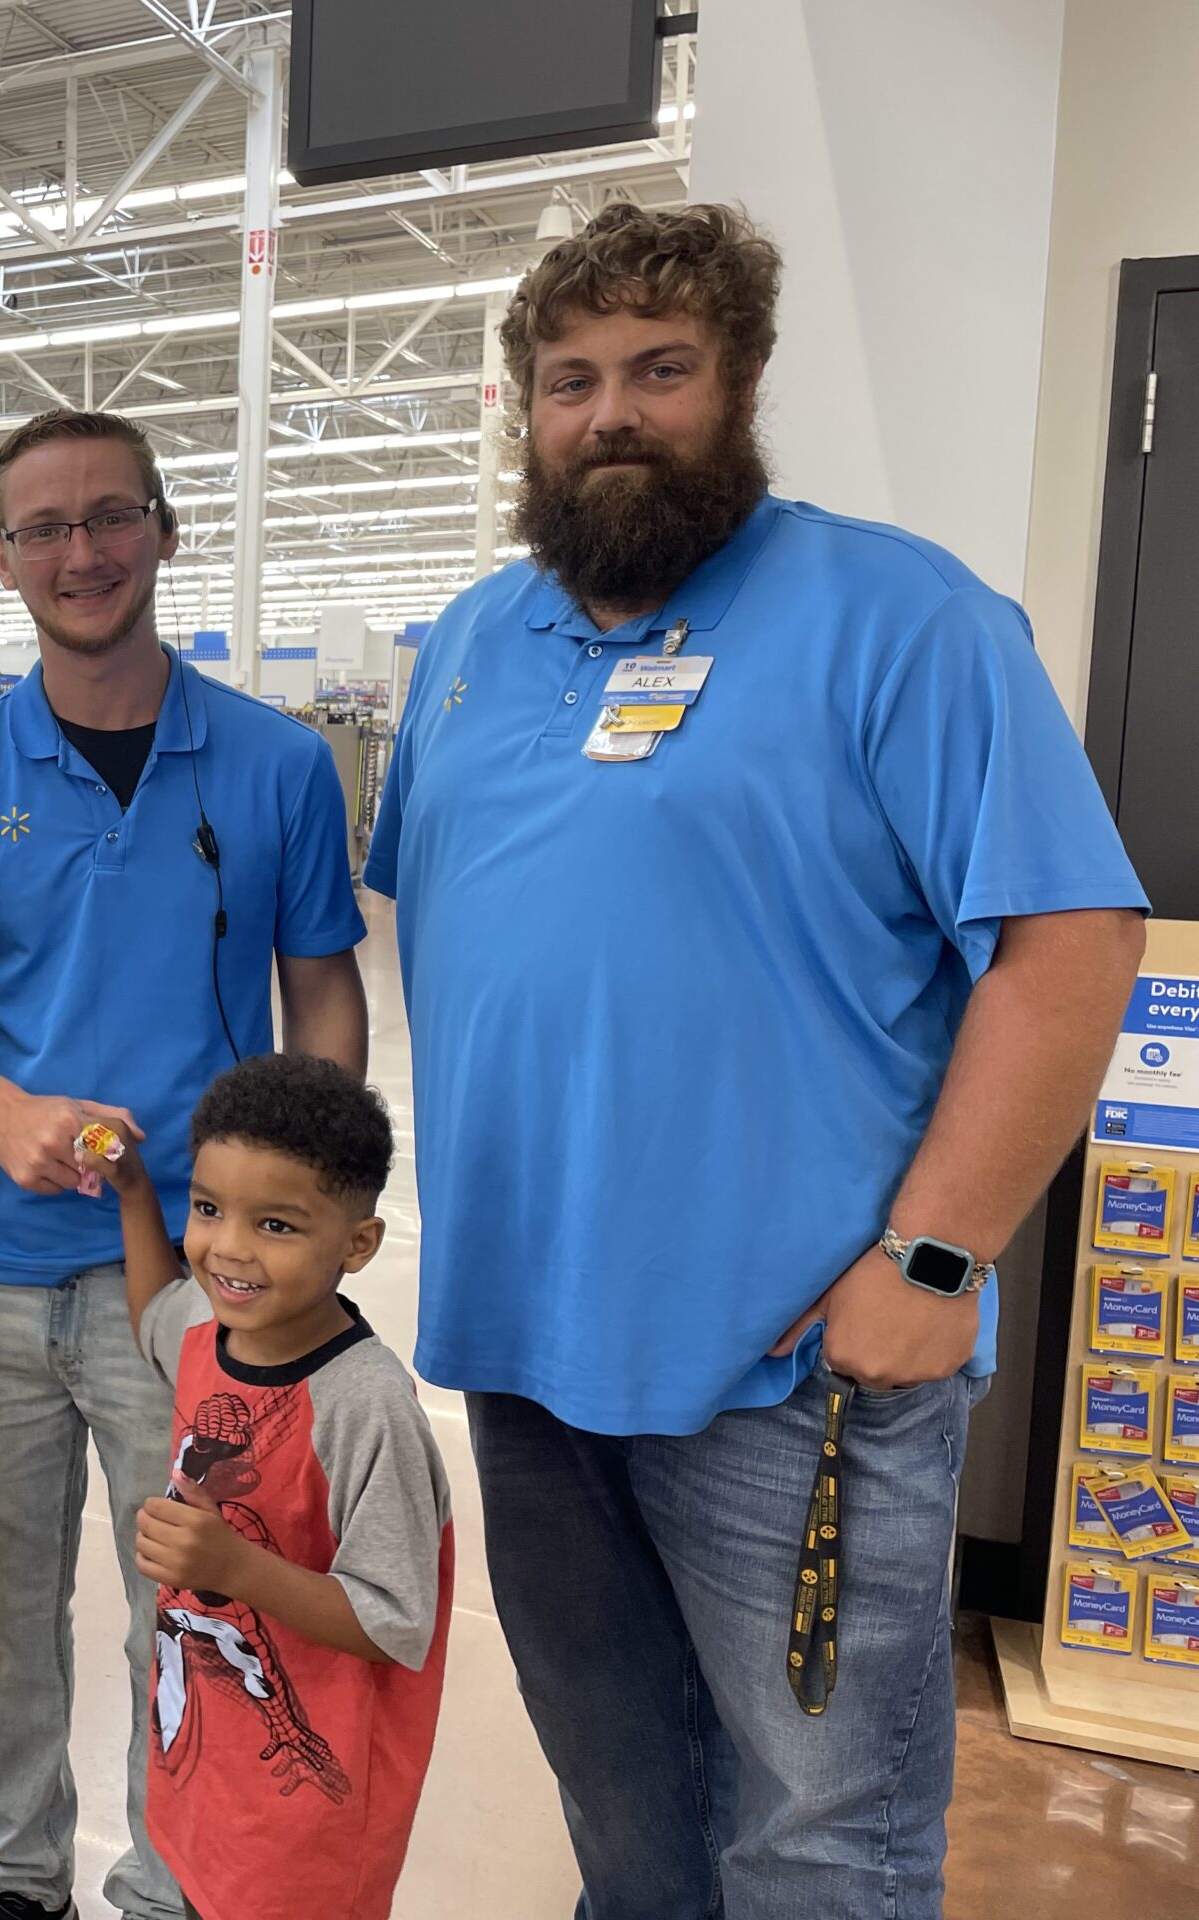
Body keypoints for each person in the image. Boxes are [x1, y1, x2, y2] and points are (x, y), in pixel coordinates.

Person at [365, 202, 1149, 1916]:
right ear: (526, 410)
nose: (613, 414)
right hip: (525, 1345)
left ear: (741, 381)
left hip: (799, 1368)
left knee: (819, 1832)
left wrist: (934, 1257)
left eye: (662, 368)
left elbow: (1075, 941)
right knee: (622, 1800)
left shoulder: (905, 618)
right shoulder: (474, 647)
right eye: (571, 380)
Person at [0, 408, 370, 1920]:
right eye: (42, 528)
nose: (79, 553)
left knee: (195, 1606)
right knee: (4, 1614)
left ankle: (174, 1885)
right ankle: (15, 1872)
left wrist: (311, 1213)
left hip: (201, 1294)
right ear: (0, 558)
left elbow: (324, 984)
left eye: (107, 517)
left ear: (163, 528)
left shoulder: (279, 764)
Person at [83, 1055, 450, 1920]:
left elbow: (394, 1621)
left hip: (310, 1808)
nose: (230, 1248)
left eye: (277, 1225)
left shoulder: (365, 1406)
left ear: (356, 1244)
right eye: (209, 1209)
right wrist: (137, 1192)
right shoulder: (208, 1339)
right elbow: (153, 1315)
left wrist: (235, 1567)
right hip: (210, 1774)